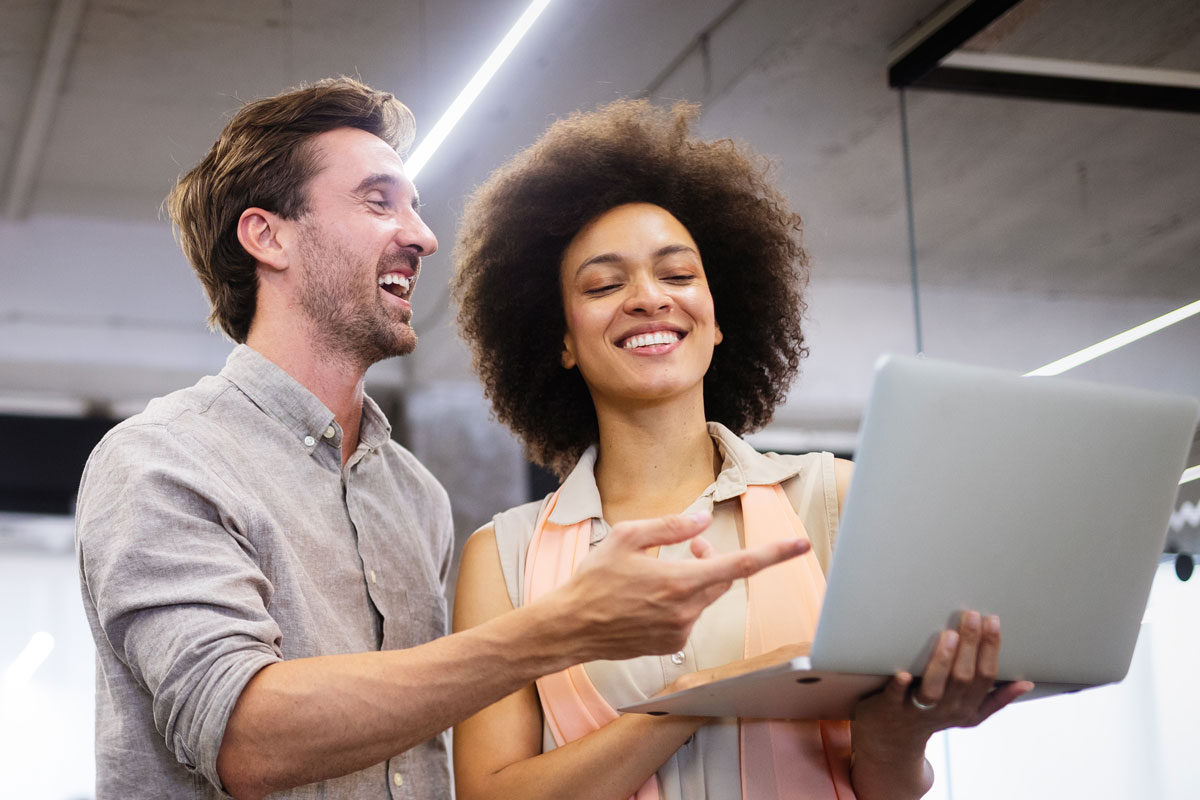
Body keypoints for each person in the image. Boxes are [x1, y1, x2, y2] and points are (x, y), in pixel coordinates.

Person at [74, 78, 808, 800]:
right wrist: (558, 629)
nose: (423, 237)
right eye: (378, 201)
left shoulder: (411, 496)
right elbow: (244, 737)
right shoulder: (163, 460)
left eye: (416, 208)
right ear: (268, 236)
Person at [450, 99, 1034, 800]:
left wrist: (904, 734)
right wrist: (696, 698)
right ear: (563, 341)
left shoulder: (835, 500)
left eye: (678, 275)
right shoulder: (505, 557)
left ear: (720, 319)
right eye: (604, 284)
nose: (649, 298)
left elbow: (883, 782)